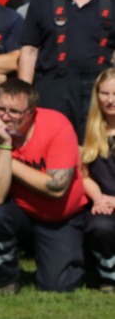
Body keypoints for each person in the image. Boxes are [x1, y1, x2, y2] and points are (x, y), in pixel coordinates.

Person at [0, 79, 88, 293]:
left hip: (60, 218)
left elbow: (56, 187)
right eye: (0, 109)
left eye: (14, 111)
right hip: (22, 213)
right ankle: (6, 280)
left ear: (31, 112)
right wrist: (5, 144)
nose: (5, 116)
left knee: (58, 285)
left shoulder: (57, 125)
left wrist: (6, 160)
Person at [18, 0, 115, 141]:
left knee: (97, 152)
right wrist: (23, 95)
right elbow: (29, 50)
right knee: (56, 146)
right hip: (54, 88)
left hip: (99, 91)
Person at [70, 69, 115, 293]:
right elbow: (82, 173)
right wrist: (99, 198)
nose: (110, 100)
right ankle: (109, 276)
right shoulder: (87, 130)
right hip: (101, 201)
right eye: (105, 93)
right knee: (101, 226)